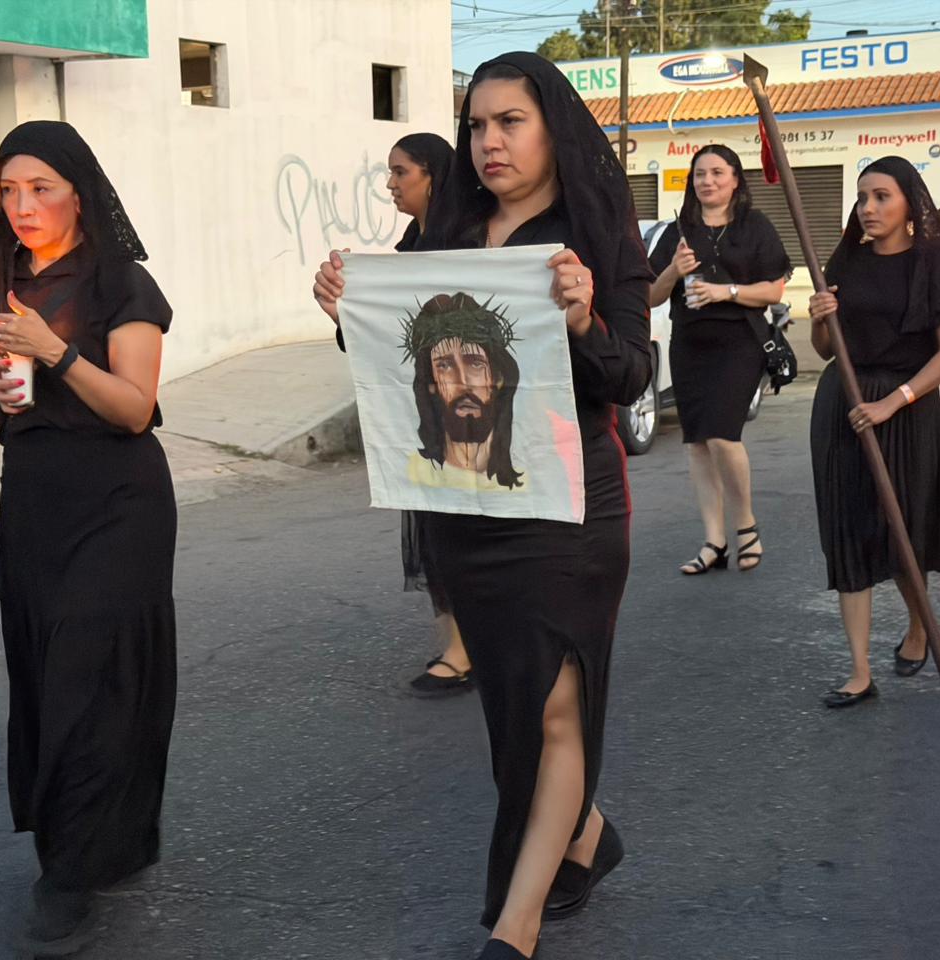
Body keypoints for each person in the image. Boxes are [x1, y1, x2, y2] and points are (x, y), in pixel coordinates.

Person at [314, 52, 652, 960]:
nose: (490, 140)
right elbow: (400, 357)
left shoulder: (596, 231)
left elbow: (632, 373)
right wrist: (345, 309)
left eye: (511, 121)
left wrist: (584, 322)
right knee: (512, 707)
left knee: (553, 707)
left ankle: (516, 926)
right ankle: (585, 836)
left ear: (554, 130)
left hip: (572, 508)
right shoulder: (449, 231)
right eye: (477, 124)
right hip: (466, 510)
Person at [0, 120, 176, 954]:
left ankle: (69, 874)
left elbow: (135, 409)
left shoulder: (122, 281)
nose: (22, 205)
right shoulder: (3, 278)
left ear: (79, 191)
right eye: (8, 189)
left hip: (119, 502)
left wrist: (53, 353)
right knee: (49, 679)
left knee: (93, 670)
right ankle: (101, 840)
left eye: (40, 187)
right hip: (36, 500)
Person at [807, 156, 940, 708]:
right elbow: (825, 350)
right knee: (847, 529)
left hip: (907, 410)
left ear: (910, 202)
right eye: (863, 197)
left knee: (903, 529)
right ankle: (859, 671)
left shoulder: (933, 261)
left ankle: (917, 627)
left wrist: (894, 401)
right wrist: (821, 319)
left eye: (881, 196)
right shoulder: (846, 260)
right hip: (843, 404)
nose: (868, 208)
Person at [647, 145, 790, 574]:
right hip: (690, 344)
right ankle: (714, 540)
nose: (707, 181)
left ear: (735, 180)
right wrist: (673, 269)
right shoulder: (680, 230)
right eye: (699, 174)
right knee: (697, 444)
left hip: (740, 343)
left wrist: (724, 292)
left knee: (724, 436)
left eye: (717, 173)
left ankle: (745, 524)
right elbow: (650, 295)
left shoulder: (754, 226)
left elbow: (774, 290)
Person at [386, 133, 476, 697]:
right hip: (422, 413)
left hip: (465, 412)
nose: (391, 185)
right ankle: (459, 643)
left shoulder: (465, 244)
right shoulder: (408, 248)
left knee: (464, 527)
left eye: (401, 172)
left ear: (432, 176)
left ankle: (468, 649)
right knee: (435, 527)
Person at [403, 292, 523, 490]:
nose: (463, 382)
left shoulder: (533, 479)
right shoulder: (414, 475)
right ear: (431, 383)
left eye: (475, 363)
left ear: (498, 377)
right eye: (444, 365)